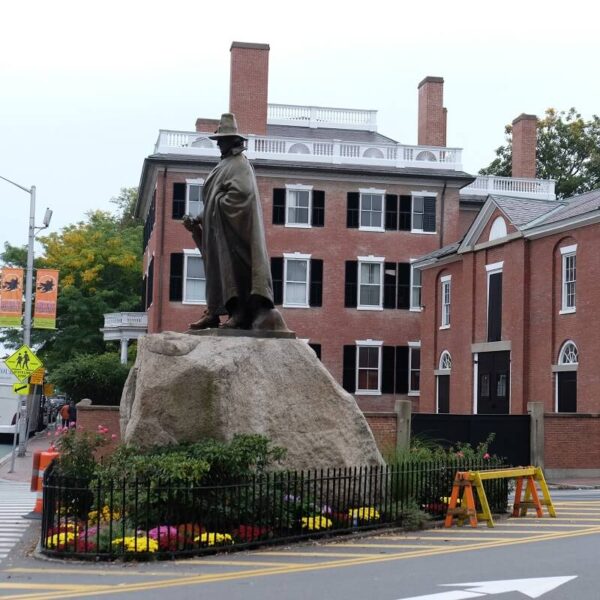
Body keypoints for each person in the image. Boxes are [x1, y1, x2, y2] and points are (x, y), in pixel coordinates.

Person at [183, 112, 289, 332]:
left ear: (234, 140)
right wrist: (199, 218)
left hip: (234, 231)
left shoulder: (240, 164)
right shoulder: (223, 165)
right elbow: (215, 197)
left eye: (223, 140)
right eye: (218, 140)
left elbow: (242, 195)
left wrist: (216, 207)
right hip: (218, 230)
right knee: (216, 272)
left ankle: (239, 314)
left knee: (234, 273)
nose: (220, 144)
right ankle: (213, 312)